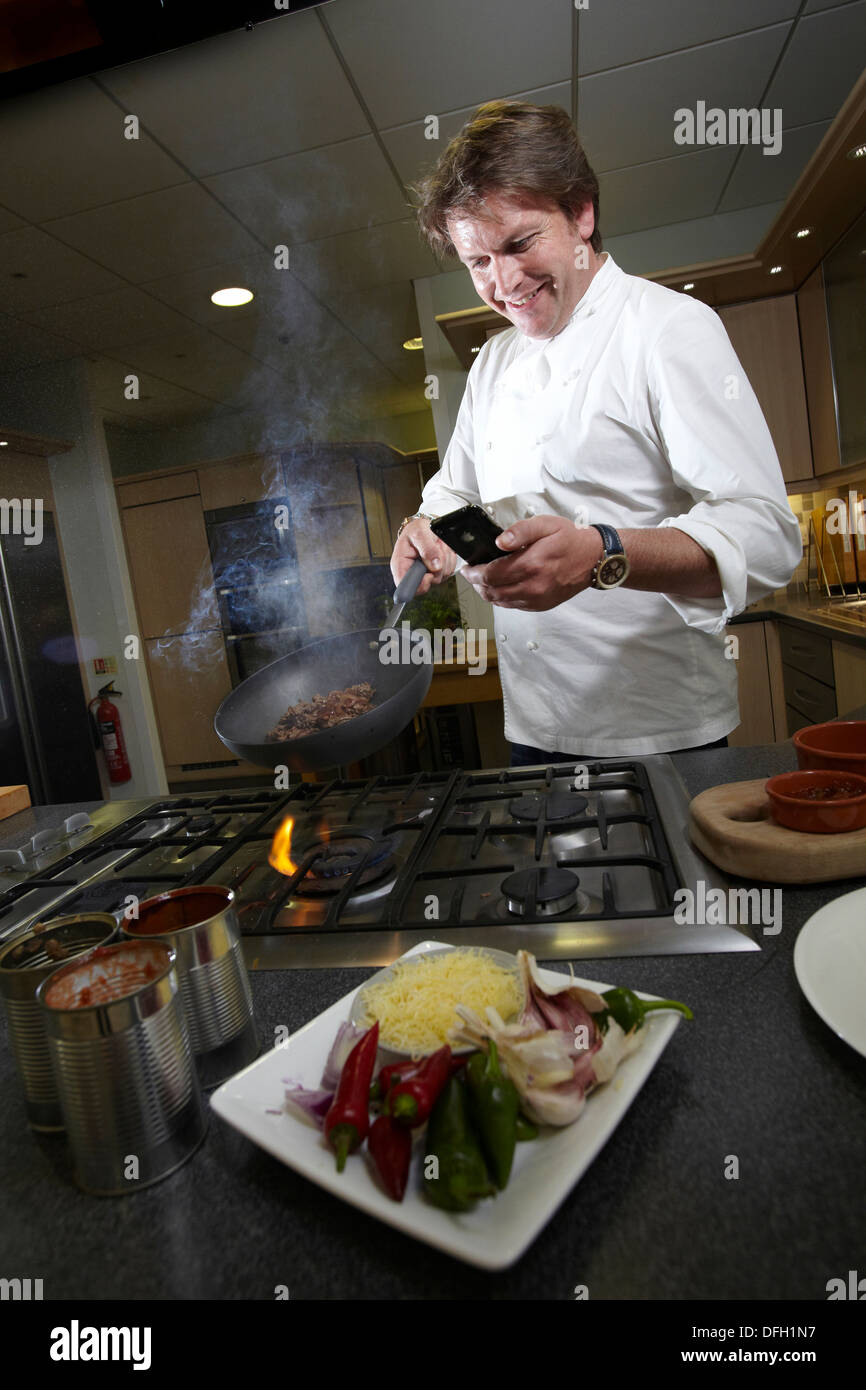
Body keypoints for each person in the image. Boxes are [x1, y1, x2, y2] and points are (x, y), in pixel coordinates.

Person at [391, 101, 802, 763]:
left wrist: (603, 553)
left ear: (581, 213)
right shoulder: (494, 362)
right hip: (534, 725)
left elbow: (768, 536)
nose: (503, 283)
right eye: (477, 262)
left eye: (520, 244)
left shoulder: (668, 329)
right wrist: (425, 530)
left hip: (659, 732)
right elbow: (451, 490)